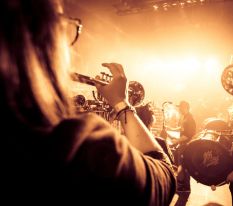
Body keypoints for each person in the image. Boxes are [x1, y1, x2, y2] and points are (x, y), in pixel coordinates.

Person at [0, 1, 176, 205]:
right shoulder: (76, 146)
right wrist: (120, 103)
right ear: (43, 40)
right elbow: (163, 176)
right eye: (62, 25)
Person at [171, 100, 196, 192]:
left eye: (181, 107)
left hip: (186, 145)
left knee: (183, 166)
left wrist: (175, 141)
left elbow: (188, 135)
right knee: (181, 165)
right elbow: (182, 129)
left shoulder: (190, 119)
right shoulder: (185, 117)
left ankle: (183, 187)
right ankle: (183, 185)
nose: (179, 109)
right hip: (182, 144)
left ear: (186, 108)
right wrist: (171, 129)